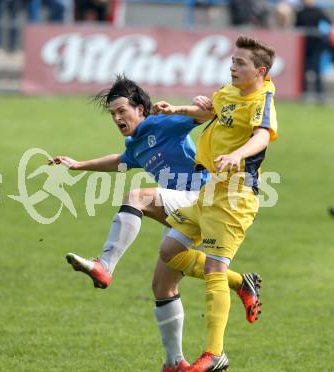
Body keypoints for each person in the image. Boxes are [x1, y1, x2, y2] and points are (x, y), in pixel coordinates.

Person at [50, 75, 262, 325]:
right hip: (182, 208)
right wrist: (77, 165)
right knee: (162, 287)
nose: (117, 118)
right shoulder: (135, 144)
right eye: (112, 114)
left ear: (140, 109)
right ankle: (177, 361)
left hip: (203, 198)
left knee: (136, 197)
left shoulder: (164, 121)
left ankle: (105, 265)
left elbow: (210, 116)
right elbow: (120, 161)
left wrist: (202, 105)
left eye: (121, 111)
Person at [151, 35, 277, 371]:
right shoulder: (230, 92)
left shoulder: (263, 98)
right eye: (233, 61)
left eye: (240, 63)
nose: (232, 66)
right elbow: (209, 111)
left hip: (235, 196)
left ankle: (214, 353)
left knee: (213, 269)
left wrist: (237, 153)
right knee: (170, 252)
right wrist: (177, 109)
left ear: (260, 71)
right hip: (209, 192)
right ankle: (242, 283)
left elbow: (262, 134)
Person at [295, 0, 332, 99]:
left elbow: (328, 21)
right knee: (302, 71)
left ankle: (319, 94)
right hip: (303, 46)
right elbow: (296, 27)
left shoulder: (317, 11)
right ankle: (303, 94)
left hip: (316, 46)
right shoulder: (300, 12)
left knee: (316, 71)